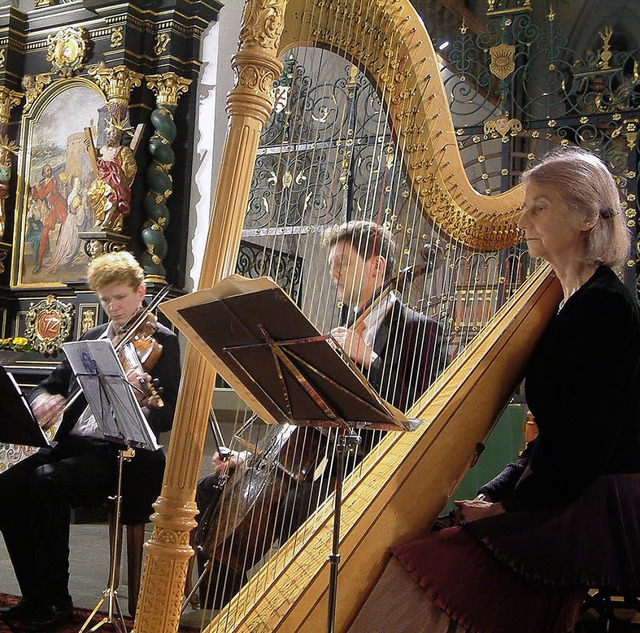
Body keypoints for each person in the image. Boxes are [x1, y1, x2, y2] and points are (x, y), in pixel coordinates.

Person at [348, 148, 640, 633]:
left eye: (539, 206)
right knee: (440, 539)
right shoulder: (571, 301)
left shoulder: (604, 306)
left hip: (596, 501)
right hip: (569, 487)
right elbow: (558, 436)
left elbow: (586, 442)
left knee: (418, 575)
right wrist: (497, 489)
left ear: (587, 216)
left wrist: (509, 507)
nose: (523, 219)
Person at [192, 220, 448, 609]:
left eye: (343, 262)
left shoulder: (422, 330)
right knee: (211, 488)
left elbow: (421, 411)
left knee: (294, 506)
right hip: (324, 462)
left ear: (378, 267)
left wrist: (369, 359)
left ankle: (286, 609)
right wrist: (254, 459)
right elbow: (307, 420)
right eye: (331, 264)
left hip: (372, 468)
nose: (333, 273)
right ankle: (223, 611)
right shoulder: (343, 330)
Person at [0, 251, 181, 631]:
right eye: (105, 299)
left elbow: (166, 414)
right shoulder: (92, 338)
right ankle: (36, 596)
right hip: (73, 445)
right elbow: (51, 383)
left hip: (123, 454)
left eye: (119, 297)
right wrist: (43, 400)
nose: (112, 308)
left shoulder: (163, 343)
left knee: (46, 481)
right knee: (7, 483)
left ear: (141, 292)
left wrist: (137, 399)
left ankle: (59, 603)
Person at [85, 118, 139, 231]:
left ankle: (107, 220)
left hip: (115, 178)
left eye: (113, 132)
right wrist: (88, 145)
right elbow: (93, 152)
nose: (110, 135)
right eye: (108, 133)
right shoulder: (104, 149)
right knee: (92, 193)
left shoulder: (123, 150)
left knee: (112, 195)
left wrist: (122, 177)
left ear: (119, 134)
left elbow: (131, 167)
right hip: (103, 177)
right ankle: (99, 219)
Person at [30, 163, 68, 274]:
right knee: (44, 234)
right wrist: (34, 189)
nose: (49, 171)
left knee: (66, 228)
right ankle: (39, 263)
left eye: (50, 169)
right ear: (43, 173)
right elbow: (37, 197)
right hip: (52, 209)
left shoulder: (53, 180)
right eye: (47, 170)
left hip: (60, 205)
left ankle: (62, 257)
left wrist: (38, 187)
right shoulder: (42, 183)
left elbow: (43, 195)